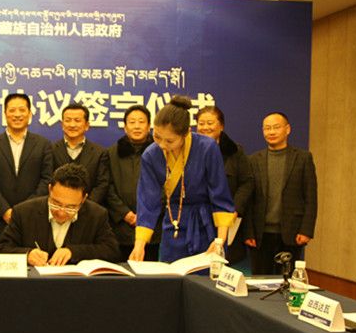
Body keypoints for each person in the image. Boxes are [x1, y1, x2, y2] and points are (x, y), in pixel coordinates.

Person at [130, 95, 235, 263]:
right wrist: (139, 245)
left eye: (169, 140)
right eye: (157, 137)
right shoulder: (151, 155)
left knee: (205, 274)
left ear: (186, 134)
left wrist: (219, 241)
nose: (162, 145)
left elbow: (220, 196)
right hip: (173, 223)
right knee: (171, 273)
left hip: (205, 225)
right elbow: (147, 201)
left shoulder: (207, 148)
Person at [0, 163, 119, 265]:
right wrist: (27, 254)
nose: (61, 212)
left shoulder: (96, 215)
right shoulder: (23, 212)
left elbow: (112, 251)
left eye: (71, 207)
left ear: (83, 199)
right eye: (56, 203)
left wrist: (74, 252)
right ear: (50, 189)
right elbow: (2, 249)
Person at [245, 112, 317, 274]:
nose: (271, 132)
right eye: (267, 128)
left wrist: (306, 230)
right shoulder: (253, 160)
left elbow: (311, 197)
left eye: (276, 127)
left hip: (292, 233)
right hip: (260, 235)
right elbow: (249, 200)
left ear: (287, 129)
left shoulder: (303, 158)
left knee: (287, 281)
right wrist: (248, 232)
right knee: (260, 281)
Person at [0, 93, 53, 253]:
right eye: (12, 110)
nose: (17, 114)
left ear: (30, 113)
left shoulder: (43, 144)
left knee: (32, 267)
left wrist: (24, 211)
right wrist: (5, 211)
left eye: (22, 110)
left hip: (33, 221)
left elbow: (46, 180)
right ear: (5, 114)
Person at [195, 105, 254, 266]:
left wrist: (234, 209)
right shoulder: (190, 151)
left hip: (228, 218)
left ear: (221, 126)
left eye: (210, 123)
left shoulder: (235, 151)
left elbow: (247, 182)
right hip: (198, 219)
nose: (205, 127)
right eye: (201, 123)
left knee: (223, 262)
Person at [106, 105, 160, 261]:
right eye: (132, 122)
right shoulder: (111, 153)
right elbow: (107, 188)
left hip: (153, 228)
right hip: (120, 228)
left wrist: (146, 214)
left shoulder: (160, 151)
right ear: (125, 127)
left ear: (149, 126)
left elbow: (167, 187)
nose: (137, 126)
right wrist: (125, 214)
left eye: (141, 122)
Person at [50, 103, 110, 205]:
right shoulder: (50, 149)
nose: (72, 125)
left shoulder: (100, 153)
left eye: (77, 120)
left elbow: (102, 184)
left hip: (89, 209)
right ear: (62, 125)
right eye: (68, 120)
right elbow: (47, 179)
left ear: (87, 125)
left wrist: (84, 206)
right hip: (58, 208)